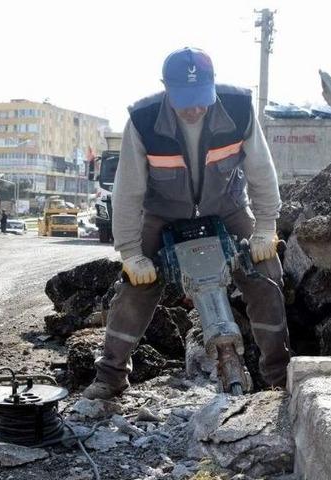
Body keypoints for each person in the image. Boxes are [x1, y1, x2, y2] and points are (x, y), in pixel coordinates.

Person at [83, 47, 290, 400]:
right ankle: (111, 375)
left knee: (265, 271)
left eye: (201, 99)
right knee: (135, 285)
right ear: (166, 89)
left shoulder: (238, 108)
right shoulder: (144, 120)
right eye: (185, 100)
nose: (195, 108)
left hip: (226, 206)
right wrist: (132, 253)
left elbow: (261, 170)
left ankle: (280, 377)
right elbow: (128, 190)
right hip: (163, 212)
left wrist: (265, 227)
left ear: (212, 85)